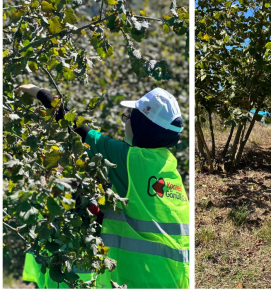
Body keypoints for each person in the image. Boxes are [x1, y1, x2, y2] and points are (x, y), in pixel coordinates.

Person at [16, 84, 189, 288]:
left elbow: (78, 129)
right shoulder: (168, 166)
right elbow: (139, 220)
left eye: (129, 118)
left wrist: (40, 93)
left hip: (141, 278)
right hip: (174, 279)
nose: (125, 122)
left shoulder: (132, 159)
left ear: (142, 126)